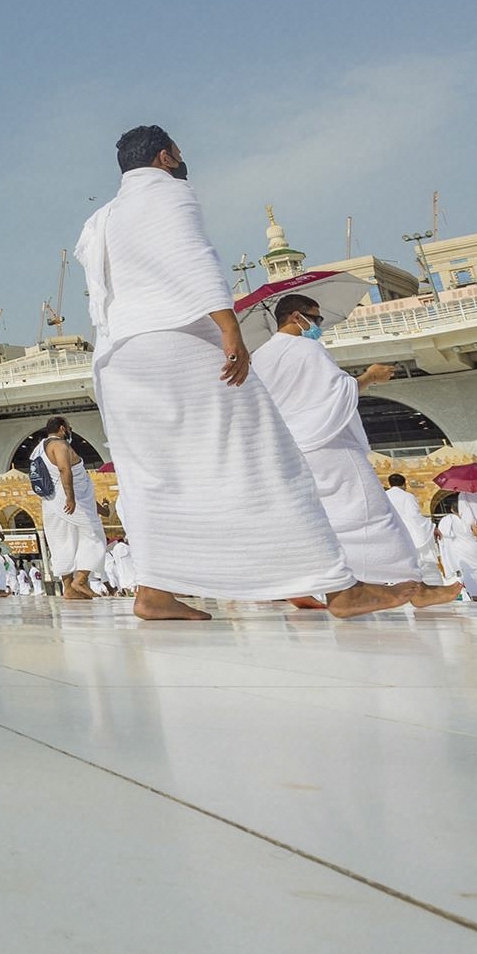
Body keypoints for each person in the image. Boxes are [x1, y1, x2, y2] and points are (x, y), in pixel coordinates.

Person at [73, 126, 401, 621]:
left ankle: (155, 590)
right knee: (261, 454)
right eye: (179, 155)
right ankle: (339, 589)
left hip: (118, 356)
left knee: (152, 474)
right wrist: (230, 331)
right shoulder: (169, 193)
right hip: (176, 341)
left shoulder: (100, 218)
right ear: (165, 157)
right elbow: (193, 258)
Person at [247, 299, 454, 608]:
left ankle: (315, 585)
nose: (319, 325)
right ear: (295, 316)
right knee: (372, 512)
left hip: (290, 449)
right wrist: (370, 376)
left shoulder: (259, 356)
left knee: (317, 518)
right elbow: (337, 392)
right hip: (328, 443)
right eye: (315, 318)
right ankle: (415, 588)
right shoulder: (308, 349)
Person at [32, 418, 110, 600]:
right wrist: (71, 497)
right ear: (62, 428)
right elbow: (64, 470)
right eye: (69, 428)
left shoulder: (39, 448)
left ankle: (68, 588)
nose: (70, 431)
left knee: (63, 542)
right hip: (67, 500)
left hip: (51, 502)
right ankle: (81, 580)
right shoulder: (59, 445)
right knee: (95, 536)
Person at [436, 500, 477, 599]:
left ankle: (474, 594)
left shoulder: (448, 520)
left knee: (468, 572)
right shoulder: (470, 518)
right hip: (474, 547)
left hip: (460, 550)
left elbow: (443, 535)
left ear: (451, 510)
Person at [383, 475, 438, 574]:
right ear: (404, 484)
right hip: (409, 534)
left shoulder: (383, 497)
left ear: (389, 484)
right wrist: (431, 526)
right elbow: (414, 516)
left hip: (390, 533)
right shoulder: (407, 496)